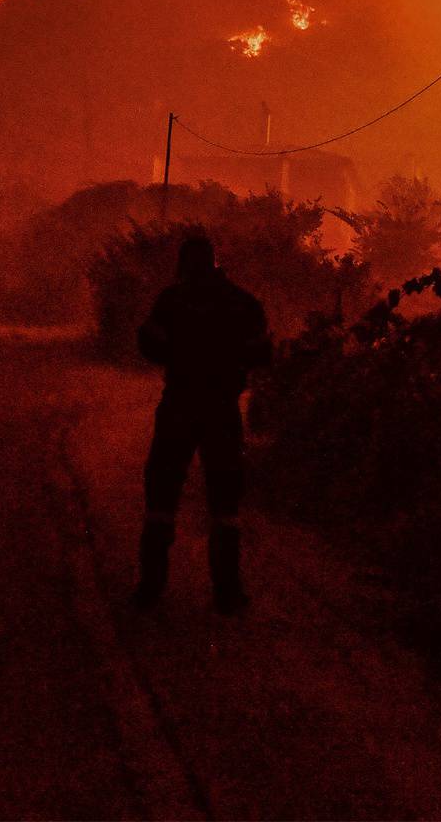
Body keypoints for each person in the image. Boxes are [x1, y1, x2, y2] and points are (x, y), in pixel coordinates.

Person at [132, 233, 270, 614]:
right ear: (215, 262)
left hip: (179, 404)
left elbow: (149, 346)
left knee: (161, 497)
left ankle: (151, 586)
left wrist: (183, 355)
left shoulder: (172, 301)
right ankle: (227, 591)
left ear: (183, 265)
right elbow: (263, 351)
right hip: (222, 409)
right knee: (225, 504)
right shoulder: (242, 303)